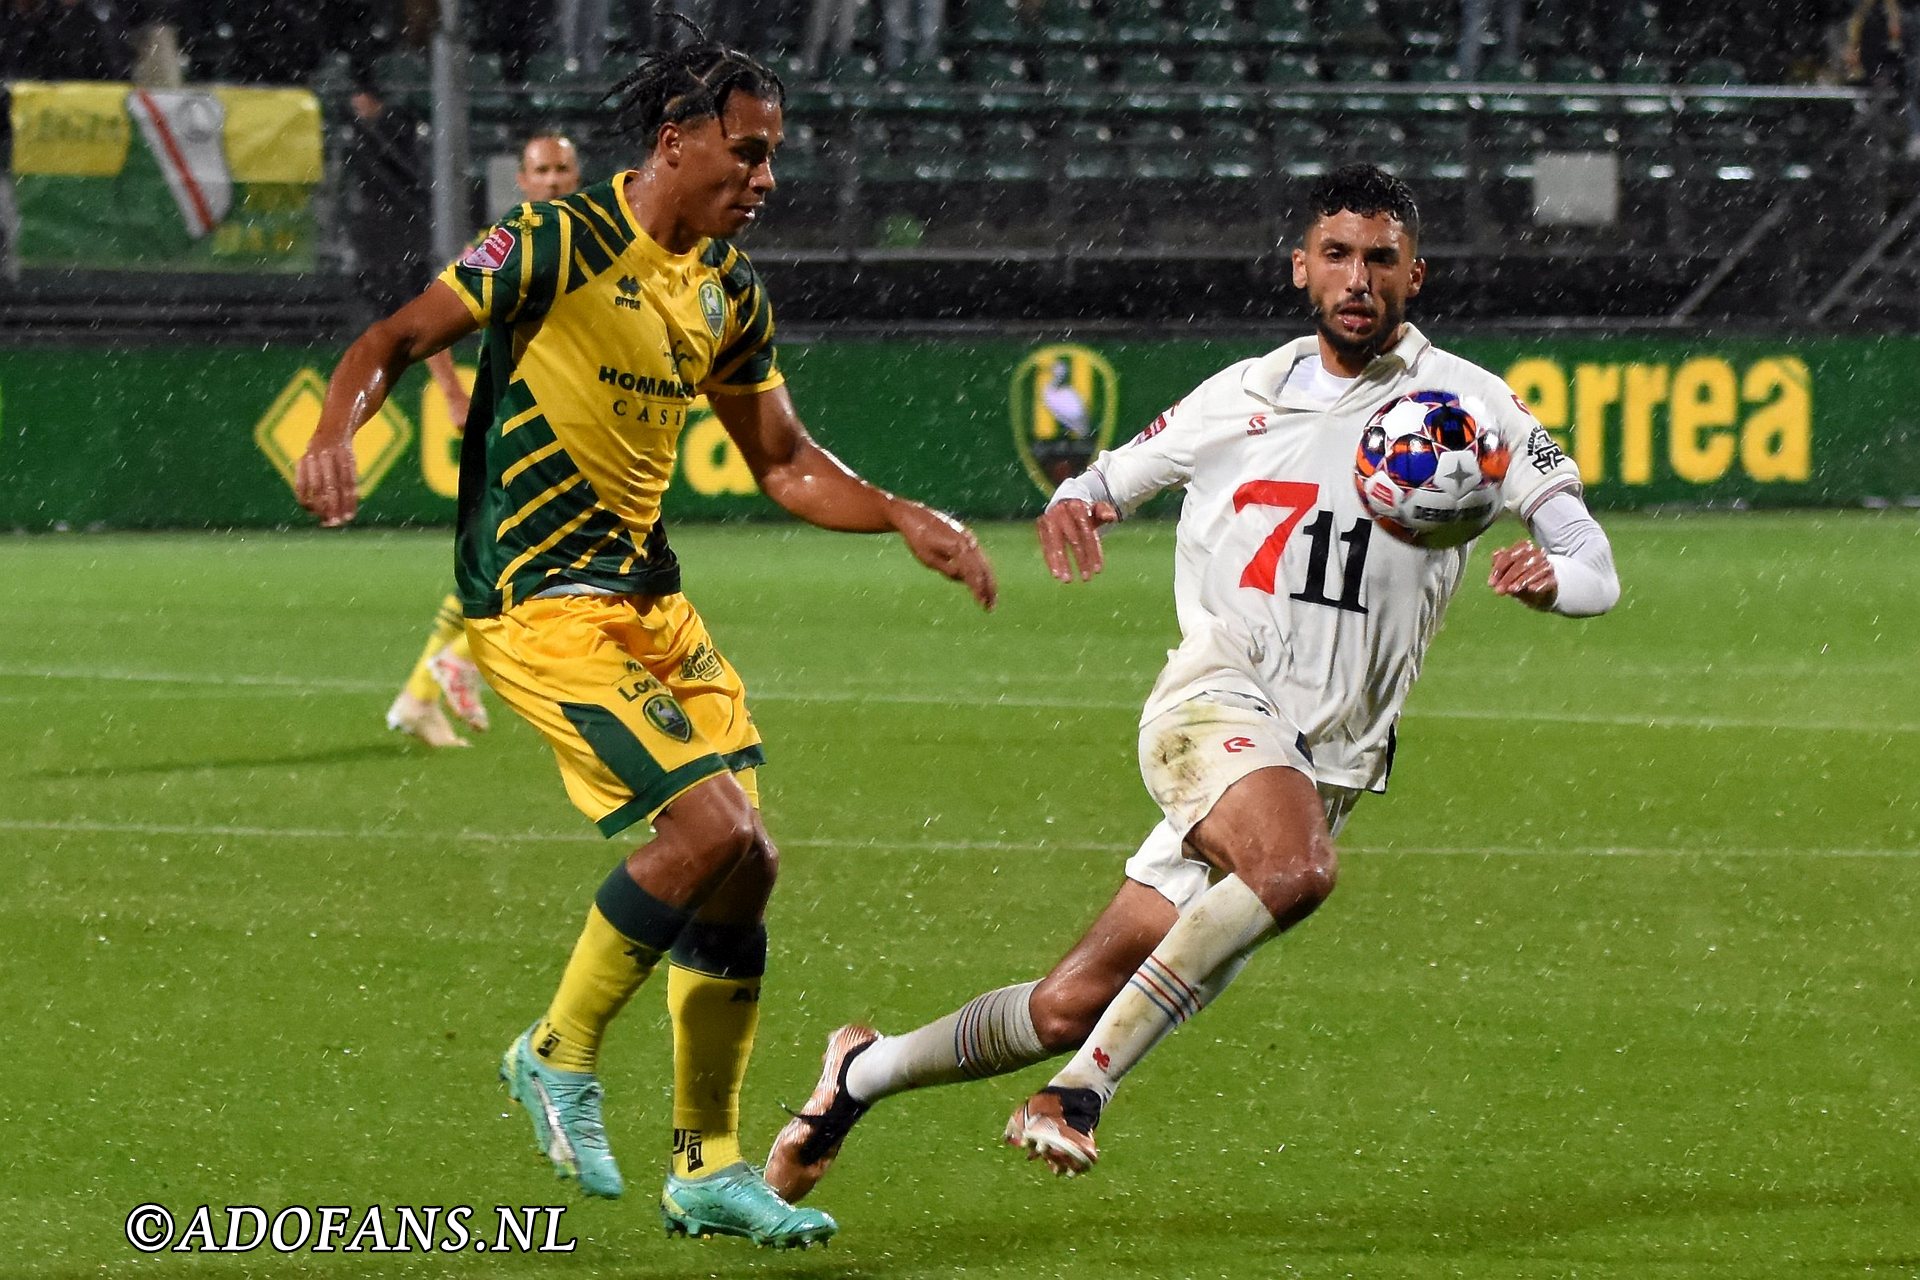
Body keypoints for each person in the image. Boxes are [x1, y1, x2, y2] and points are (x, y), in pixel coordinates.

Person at [764, 163, 1620, 1198]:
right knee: (1294, 871)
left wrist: (1551, 578)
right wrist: (1076, 500)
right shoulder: (1241, 393)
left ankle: (858, 1072)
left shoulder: (1475, 410)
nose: (1358, 277)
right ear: (1302, 267)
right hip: (1214, 700)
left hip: (1321, 761)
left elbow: (1596, 565)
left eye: (1381, 258)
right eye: (1337, 255)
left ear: (1416, 273)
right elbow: (1108, 475)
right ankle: (1074, 1095)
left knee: (1066, 1002)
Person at [294, 22, 996, 1248]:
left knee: (750, 860)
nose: (766, 179)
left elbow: (779, 458)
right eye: (748, 153)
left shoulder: (727, 289)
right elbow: (395, 338)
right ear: (676, 142)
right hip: (540, 595)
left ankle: (708, 1163)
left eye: (773, 157)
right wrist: (336, 425)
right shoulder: (558, 240)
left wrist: (898, 515)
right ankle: (555, 1050)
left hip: (651, 602)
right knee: (709, 824)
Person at [387, 133, 586, 749]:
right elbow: (428, 318)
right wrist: (450, 393)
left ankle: (422, 693)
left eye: (561, 169)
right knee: (547, 559)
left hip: (566, 426)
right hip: (520, 426)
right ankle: (459, 663)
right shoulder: (506, 247)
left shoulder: (587, 242)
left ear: (576, 176)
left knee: (508, 556)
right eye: (541, 171)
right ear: (521, 182)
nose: (552, 180)